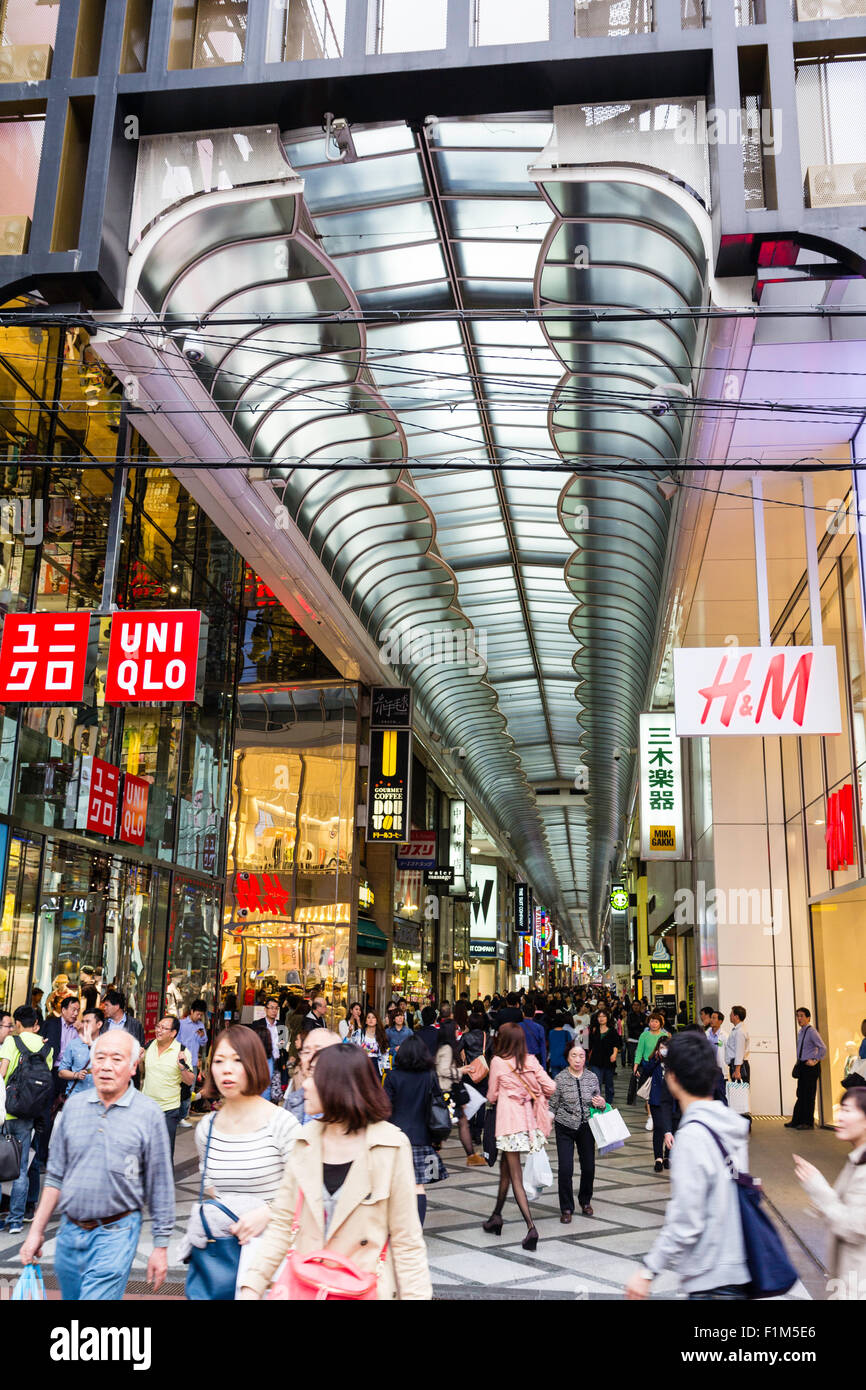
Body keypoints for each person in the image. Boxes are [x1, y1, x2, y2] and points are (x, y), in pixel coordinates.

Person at [237, 1042, 433, 1300]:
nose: (305, 1085)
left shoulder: (390, 1145)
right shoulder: (304, 1141)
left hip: (363, 1290)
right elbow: (282, 1226)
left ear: (339, 1083)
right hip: (305, 1287)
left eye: (314, 1075)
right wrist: (252, 1287)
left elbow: (407, 1242)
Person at [19, 1029, 173, 1299]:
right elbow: (55, 1178)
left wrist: (160, 1246)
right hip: (70, 1233)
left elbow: (160, 1184)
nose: (106, 1066)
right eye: (100, 1058)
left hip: (117, 1233)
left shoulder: (148, 1114)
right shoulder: (73, 1108)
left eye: (116, 1059)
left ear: (133, 1066)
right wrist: (36, 1231)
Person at [625, 1031, 751, 1301]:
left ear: (672, 1079)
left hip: (710, 1276)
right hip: (740, 1266)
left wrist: (648, 1271)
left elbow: (686, 1220)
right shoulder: (731, 1125)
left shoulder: (691, 1136)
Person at [186, 1025, 301, 1293]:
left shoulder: (282, 1123)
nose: (227, 1069)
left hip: (275, 1258)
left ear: (254, 1064)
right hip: (223, 1259)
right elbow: (213, 1187)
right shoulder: (206, 1129)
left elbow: (306, 1191)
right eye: (219, 1060)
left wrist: (268, 1212)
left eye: (237, 1060)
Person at [484, 1022, 556, 1249]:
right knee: (505, 1170)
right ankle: (496, 1217)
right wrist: (531, 1092)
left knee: (515, 1177)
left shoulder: (497, 1062)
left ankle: (531, 1228)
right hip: (528, 1125)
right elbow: (551, 1087)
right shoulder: (531, 1060)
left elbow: (492, 1095)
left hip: (508, 1125)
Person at [793, 1086, 866, 1299]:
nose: (839, 1116)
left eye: (847, 1110)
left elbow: (854, 1226)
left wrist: (819, 1188)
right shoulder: (857, 1159)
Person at [384, 1033, 449, 1226]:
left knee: (393, 1186)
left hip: (396, 1138)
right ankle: (416, 1230)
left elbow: (385, 1109)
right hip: (421, 1137)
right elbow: (437, 1106)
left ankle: (395, 1227)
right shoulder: (429, 1076)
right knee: (417, 1185)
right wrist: (437, 1140)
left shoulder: (392, 1077)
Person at [0, 1005, 53, 1235]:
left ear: (19, 1024)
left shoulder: (12, 1042)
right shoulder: (46, 1046)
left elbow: (2, 1073)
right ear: (36, 1023)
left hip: (6, 1111)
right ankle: (15, 1220)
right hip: (28, 1114)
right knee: (21, 1168)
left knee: (0, 1166)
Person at [551, 1041, 604, 1221]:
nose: (578, 1059)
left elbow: (599, 1099)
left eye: (581, 1056)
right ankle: (566, 1208)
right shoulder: (559, 1079)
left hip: (586, 1127)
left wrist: (602, 1104)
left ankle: (585, 1200)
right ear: (567, 1057)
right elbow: (552, 1105)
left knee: (588, 1166)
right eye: (574, 1055)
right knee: (565, 1168)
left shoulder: (592, 1077)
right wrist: (542, 1126)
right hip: (564, 1126)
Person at [140, 1015, 195, 1160]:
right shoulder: (149, 1045)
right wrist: (138, 1060)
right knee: (144, 1150)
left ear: (173, 1033)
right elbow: (142, 1070)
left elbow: (190, 1081)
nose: (158, 1030)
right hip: (146, 1108)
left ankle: (164, 1181)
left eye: (164, 1028)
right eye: (158, 1026)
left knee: (164, 1152)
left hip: (168, 1110)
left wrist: (182, 1067)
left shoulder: (182, 1052)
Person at [283, 1028, 341, 1124]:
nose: (311, 1058)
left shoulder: (351, 1105)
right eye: (306, 1052)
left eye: (319, 1051)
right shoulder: (293, 1100)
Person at [786, 1006, 827, 1131]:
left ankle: (808, 1123)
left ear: (808, 1018)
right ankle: (797, 1120)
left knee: (808, 1095)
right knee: (801, 1094)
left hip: (810, 1068)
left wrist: (815, 1060)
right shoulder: (801, 1031)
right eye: (797, 1016)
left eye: (802, 1016)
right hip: (803, 1066)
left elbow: (823, 1048)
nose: (799, 1018)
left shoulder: (811, 1031)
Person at [639, 1035, 675, 1173]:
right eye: (661, 1047)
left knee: (670, 1128)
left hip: (671, 1100)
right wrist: (655, 1059)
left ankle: (668, 1156)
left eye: (666, 1047)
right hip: (656, 1099)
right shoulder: (654, 1060)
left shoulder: (674, 1062)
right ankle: (658, 1158)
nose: (663, 1050)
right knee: (659, 1128)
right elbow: (645, 1072)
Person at [634, 1010, 669, 1131]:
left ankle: (659, 1115)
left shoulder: (664, 1036)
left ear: (661, 1023)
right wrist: (636, 1064)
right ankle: (650, 1117)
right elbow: (639, 1050)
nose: (654, 1023)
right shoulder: (644, 1035)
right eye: (652, 1021)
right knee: (648, 1092)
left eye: (656, 1021)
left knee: (660, 1091)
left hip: (662, 1067)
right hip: (647, 1066)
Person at [57, 1008, 103, 1098]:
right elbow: (61, 1072)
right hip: (75, 1097)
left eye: (88, 1022)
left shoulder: (108, 1045)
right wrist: (76, 1075)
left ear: (99, 1024)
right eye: (83, 1021)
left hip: (99, 1099)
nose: (84, 1025)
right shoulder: (73, 1044)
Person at [177, 999, 209, 1128]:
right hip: (181, 1061)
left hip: (194, 1062)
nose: (199, 1017)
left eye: (201, 1015)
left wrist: (202, 1035)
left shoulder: (200, 1026)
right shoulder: (181, 1024)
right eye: (198, 1014)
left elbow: (204, 1043)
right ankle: (177, 1115)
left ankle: (184, 1115)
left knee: (189, 1090)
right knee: (178, 1088)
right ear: (191, 1011)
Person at [41, 994, 80, 1098]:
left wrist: (82, 1030)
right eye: (73, 1010)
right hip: (52, 1069)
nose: (76, 1013)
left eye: (78, 1010)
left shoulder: (79, 1028)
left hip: (70, 1072)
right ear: (63, 1010)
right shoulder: (50, 1024)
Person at [248, 996, 287, 1095]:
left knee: (275, 1090)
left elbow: (284, 1045)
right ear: (265, 1009)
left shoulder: (281, 1026)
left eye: (276, 1008)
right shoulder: (257, 1024)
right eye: (272, 1008)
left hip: (277, 1062)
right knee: (262, 1088)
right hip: (262, 1061)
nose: (274, 1011)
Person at [587, 1007, 619, 1105]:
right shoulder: (593, 1030)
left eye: (603, 1016)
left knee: (609, 1083)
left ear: (607, 1018)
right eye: (599, 1016)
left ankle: (609, 1102)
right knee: (597, 1082)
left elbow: (616, 1044)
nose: (601, 1018)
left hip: (608, 1060)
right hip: (595, 1060)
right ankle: (597, 1101)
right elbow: (587, 1044)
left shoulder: (612, 1030)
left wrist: (614, 1054)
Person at [355, 1008, 388, 1076]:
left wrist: (386, 1069)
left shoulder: (381, 1034)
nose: (371, 1020)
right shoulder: (360, 1033)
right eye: (368, 1017)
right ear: (366, 1021)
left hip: (376, 1065)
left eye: (373, 1017)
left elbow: (384, 1052)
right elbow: (354, 1049)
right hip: (362, 1064)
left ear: (377, 1021)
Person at [725, 1005, 750, 1085]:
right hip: (736, 1065)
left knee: (740, 1094)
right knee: (738, 1093)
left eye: (731, 1014)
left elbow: (739, 1052)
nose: (729, 1015)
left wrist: (737, 1071)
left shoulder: (740, 1031)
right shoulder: (737, 1030)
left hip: (739, 1067)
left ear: (736, 1016)